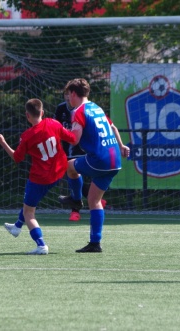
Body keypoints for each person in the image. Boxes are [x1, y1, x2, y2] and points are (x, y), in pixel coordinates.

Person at [0, 98, 76, 255]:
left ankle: (41, 245)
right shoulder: (54, 123)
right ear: (42, 112)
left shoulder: (27, 136)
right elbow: (72, 138)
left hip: (40, 178)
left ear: (27, 115)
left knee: (29, 212)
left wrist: (2, 141)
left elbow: (17, 158)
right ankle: (17, 227)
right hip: (58, 173)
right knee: (28, 203)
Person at [58, 78, 130, 253]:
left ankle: (75, 199)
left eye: (69, 96)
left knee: (69, 166)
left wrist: (57, 131)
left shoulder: (78, 111)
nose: (68, 99)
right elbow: (113, 128)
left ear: (74, 94)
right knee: (94, 200)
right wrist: (121, 146)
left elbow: (74, 138)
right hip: (114, 160)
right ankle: (95, 243)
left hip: (99, 159)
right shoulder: (96, 108)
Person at [54, 93, 107, 222]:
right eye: (66, 94)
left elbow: (109, 126)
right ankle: (93, 200)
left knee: (74, 175)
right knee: (73, 176)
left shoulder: (85, 110)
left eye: (70, 95)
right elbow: (55, 128)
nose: (68, 97)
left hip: (82, 150)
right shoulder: (61, 109)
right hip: (67, 150)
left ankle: (76, 210)